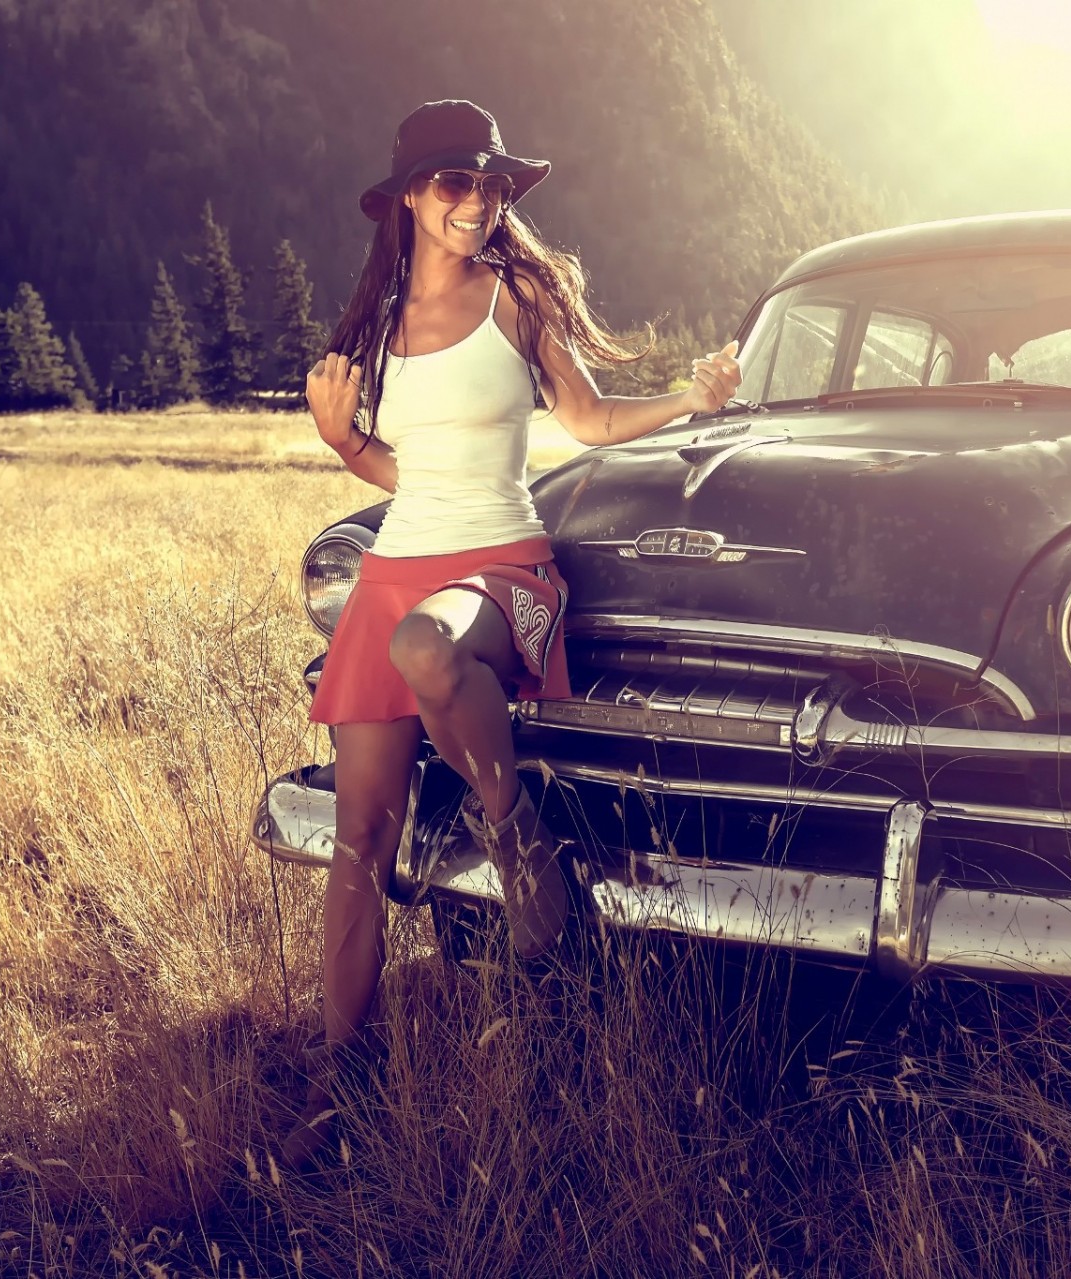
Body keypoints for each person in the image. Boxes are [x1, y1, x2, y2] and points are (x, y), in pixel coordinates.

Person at [284, 99, 742, 1168]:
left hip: (502, 566)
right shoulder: (374, 326)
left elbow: (585, 422)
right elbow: (402, 473)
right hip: (398, 566)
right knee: (359, 844)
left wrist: (690, 397)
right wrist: (340, 440)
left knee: (426, 653)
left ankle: (514, 830)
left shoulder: (518, 297)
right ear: (406, 197)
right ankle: (337, 1078)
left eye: (491, 187)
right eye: (454, 184)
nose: (476, 204)